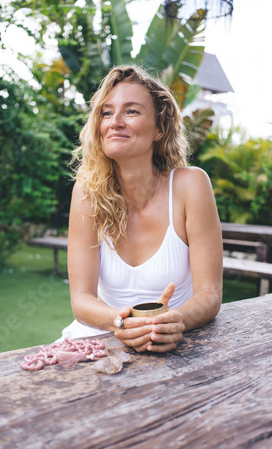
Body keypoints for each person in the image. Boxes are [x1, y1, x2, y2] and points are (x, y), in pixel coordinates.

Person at [61, 65, 223, 353]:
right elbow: (82, 299)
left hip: (176, 345)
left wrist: (174, 321)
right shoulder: (87, 194)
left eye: (131, 111)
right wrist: (119, 323)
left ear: (159, 129)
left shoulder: (190, 186)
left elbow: (209, 294)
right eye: (107, 112)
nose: (115, 122)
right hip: (98, 343)